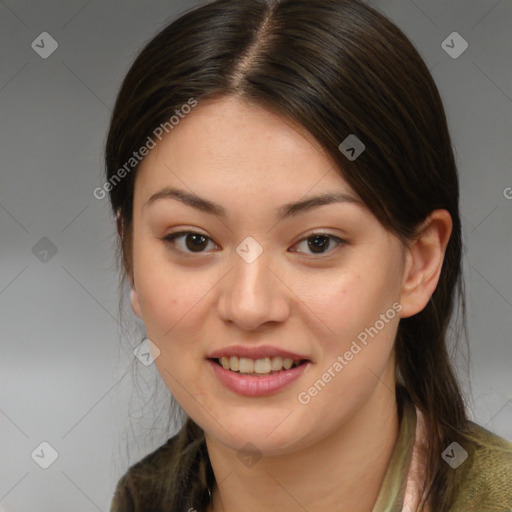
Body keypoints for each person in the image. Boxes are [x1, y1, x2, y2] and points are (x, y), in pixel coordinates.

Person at [104, 0, 512, 511]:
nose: (250, 307)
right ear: (130, 259)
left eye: (317, 242)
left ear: (418, 262)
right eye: (194, 240)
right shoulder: (143, 499)